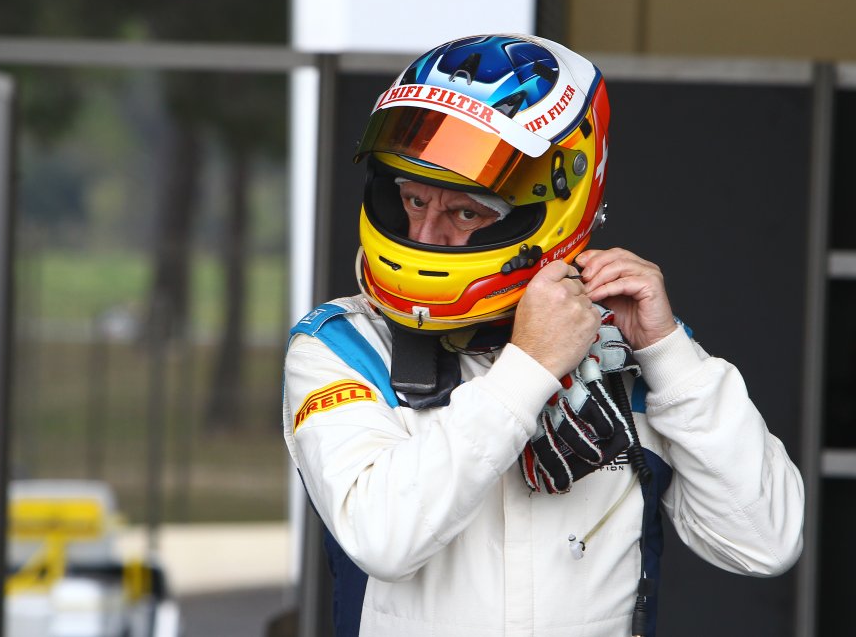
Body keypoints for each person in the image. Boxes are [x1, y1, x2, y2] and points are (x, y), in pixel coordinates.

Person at [281, 34, 804, 637]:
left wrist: (668, 353)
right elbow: (383, 539)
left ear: (556, 209)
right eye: (413, 200)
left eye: (466, 212)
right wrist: (528, 369)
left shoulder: (623, 352)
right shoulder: (340, 348)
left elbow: (764, 541)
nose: (425, 234)